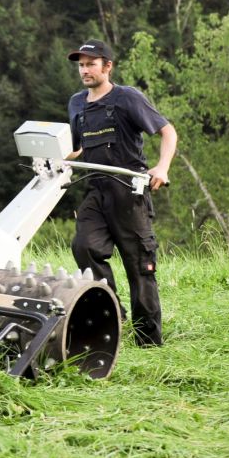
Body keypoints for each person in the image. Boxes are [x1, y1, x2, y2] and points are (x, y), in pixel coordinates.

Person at [66, 40, 177, 346]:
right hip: (95, 189)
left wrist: (162, 167)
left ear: (107, 66)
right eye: (81, 65)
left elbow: (167, 131)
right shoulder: (76, 103)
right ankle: (113, 311)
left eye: (91, 64)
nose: (85, 70)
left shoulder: (127, 98)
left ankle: (149, 342)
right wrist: (56, 156)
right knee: (84, 247)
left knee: (140, 266)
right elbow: (78, 147)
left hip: (129, 191)